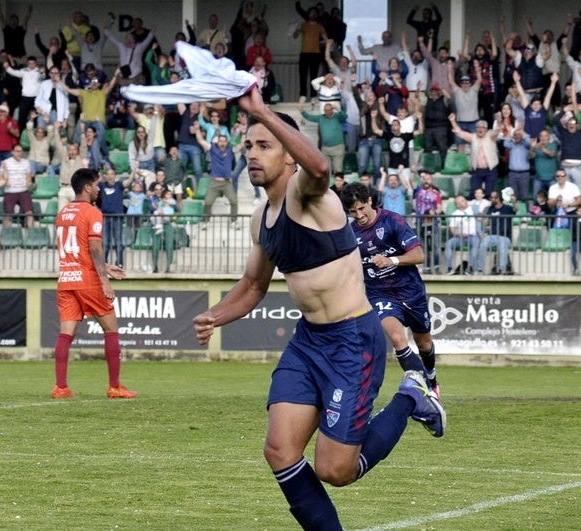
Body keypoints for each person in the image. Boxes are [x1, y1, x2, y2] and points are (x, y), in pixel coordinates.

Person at [192, 87, 445, 530]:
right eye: (248, 145)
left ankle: (412, 395)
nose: (252, 153)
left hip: (353, 340)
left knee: (335, 470)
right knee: (280, 451)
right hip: (309, 342)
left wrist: (263, 112)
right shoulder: (260, 218)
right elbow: (254, 285)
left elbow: (322, 166)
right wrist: (216, 314)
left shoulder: (309, 194)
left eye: (265, 145)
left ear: (289, 156)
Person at [341, 182, 440, 395]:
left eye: (361, 208)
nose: (358, 215)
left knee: (424, 344)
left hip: (410, 291)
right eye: (352, 212)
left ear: (370, 201)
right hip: (380, 294)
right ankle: (425, 393)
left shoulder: (392, 220)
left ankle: (431, 377)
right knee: (397, 339)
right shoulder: (349, 234)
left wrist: (391, 260)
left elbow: (419, 256)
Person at [53, 168, 137, 400]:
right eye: (96, 185)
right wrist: (105, 280)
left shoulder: (62, 213)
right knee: (111, 330)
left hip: (66, 279)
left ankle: (61, 387)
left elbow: (77, 250)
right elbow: (94, 248)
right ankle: (114, 387)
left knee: (65, 334)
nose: (99, 189)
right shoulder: (92, 212)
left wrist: (106, 266)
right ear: (87, 187)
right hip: (88, 281)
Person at [194, 129, 240, 230]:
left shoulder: (230, 150)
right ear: (217, 142)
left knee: (234, 201)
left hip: (226, 182)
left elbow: (241, 146)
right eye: (220, 141)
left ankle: (234, 221)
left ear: (227, 142)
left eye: (224, 141)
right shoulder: (212, 149)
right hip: (214, 182)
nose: (222, 143)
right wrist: (197, 129)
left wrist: (244, 132)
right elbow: (201, 141)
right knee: (208, 203)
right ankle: (206, 222)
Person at [98, 167, 135, 268]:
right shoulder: (102, 185)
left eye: (112, 174)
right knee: (105, 243)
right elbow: (92, 180)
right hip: (105, 217)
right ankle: (103, 264)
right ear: (106, 176)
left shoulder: (119, 185)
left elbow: (130, 180)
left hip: (117, 217)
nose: (110, 176)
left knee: (118, 242)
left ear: (115, 176)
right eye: (108, 174)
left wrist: (134, 169)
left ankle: (119, 263)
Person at [479, 190, 515, 275]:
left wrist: (514, 202)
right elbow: (487, 222)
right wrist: (485, 222)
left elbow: (515, 209)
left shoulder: (507, 208)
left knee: (502, 244)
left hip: (505, 237)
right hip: (492, 236)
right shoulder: (490, 209)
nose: (490, 199)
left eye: (492, 197)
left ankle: (501, 269)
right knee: (483, 244)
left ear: (498, 198)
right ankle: (479, 268)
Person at [0, 144, 34, 228]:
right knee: (8, 215)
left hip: (23, 190)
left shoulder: (26, 162)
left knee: (29, 213)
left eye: (21, 151)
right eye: (17, 151)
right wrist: (5, 182)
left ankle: (31, 236)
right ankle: (7, 236)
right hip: (10, 191)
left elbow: (28, 175)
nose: (19, 153)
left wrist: (28, 181)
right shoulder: (6, 162)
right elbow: (0, 176)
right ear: (12, 152)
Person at [445, 195, 481, 275]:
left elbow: (481, 218)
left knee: (476, 243)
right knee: (448, 244)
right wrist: (460, 234)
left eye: (464, 199)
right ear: (457, 205)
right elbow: (452, 229)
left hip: (473, 236)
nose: (465, 201)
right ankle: (449, 268)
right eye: (462, 200)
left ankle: (470, 268)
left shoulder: (473, 209)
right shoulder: (455, 214)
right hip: (460, 237)